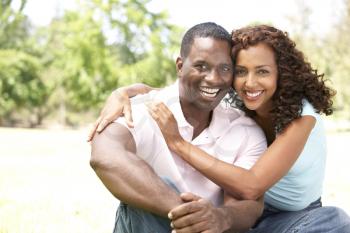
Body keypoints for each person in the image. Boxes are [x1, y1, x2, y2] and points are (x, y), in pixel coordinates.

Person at [89, 25, 350, 232]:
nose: (250, 82)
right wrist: (126, 92)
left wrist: (179, 143)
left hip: (292, 218)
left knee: (333, 220)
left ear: (281, 74)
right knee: (161, 195)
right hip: (246, 213)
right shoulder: (238, 97)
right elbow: (185, 89)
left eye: (262, 72)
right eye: (240, 71)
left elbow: (251, 186)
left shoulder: (301, 117)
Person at [90, 22, 267, 233]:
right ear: (180, 66)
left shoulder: (245, 130)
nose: (213, 78)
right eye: (201, 66)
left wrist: (219, 218)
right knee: (144, 193)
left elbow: (251, 204)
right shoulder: (144, 108)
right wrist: (190, 216)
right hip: (152, 224)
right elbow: (105, 157)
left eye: (225, 68)